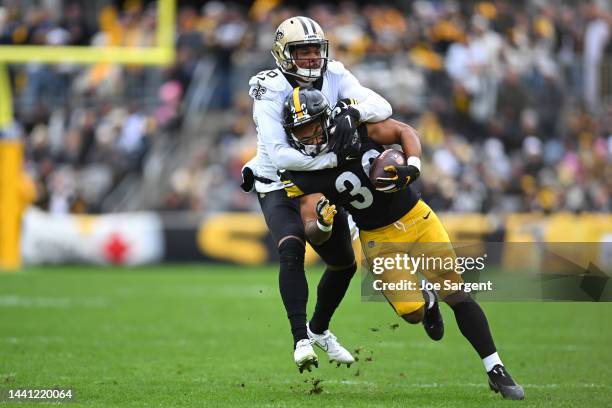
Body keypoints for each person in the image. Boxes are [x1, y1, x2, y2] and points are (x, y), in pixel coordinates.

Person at [280, 87, 525, 400]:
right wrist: (324, 223)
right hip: (378, 238)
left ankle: (495, 369)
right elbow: (314, 232)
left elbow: (403, 130)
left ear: (325, 119)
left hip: (416, 218)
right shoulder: (303, 170)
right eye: (299, 130)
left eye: (312, 125)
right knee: (412, 312)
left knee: (457, 291)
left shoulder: (355, 127)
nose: (308, 135)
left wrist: (414, 165)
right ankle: (427, 299)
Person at [241, 16, 392, 372]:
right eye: (302, 51)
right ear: (283, 54)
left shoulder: (336, 75)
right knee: (291, 249)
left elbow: (383, 107)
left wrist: (353, 110)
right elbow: (280, 156)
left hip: (318, 176)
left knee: (343, 265)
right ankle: (300, 340)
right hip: (278, 179)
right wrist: (334, 157)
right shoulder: (269, 88)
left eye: (314, 50)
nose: (311, 58)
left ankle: (319, 329)